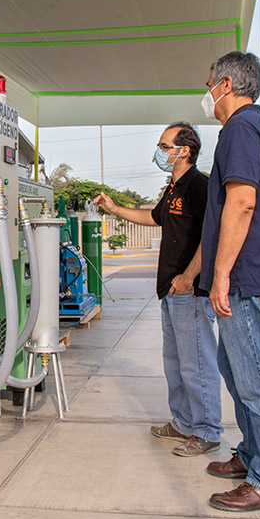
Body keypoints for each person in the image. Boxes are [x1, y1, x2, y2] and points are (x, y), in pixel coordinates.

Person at [198, 51, 260, 512]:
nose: (208, 94)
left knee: (259, 381)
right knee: (238, 373)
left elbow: (241, 203)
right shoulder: (255, 129)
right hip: (250, 278)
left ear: (227, 84)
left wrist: (220, 275)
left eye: (210, 84)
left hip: (247, 279)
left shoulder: (238, 129)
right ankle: (255, 456)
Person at [93, 122, 223, 458]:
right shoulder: (174, 188)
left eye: (165, 146)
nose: (160, 152)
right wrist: (114, 208)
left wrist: (189, 276)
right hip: (170, 290)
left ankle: (207, 430)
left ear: (185, 150)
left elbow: (212, 234)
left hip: (189, 290)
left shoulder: (199, 185)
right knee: (176, 362)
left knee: (196, 363)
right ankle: (182, 422)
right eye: (161, 145)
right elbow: (154, 217)